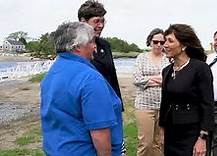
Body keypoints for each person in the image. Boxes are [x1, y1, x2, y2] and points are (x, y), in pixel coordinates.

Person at [40, 22, 123, 156]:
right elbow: (100, 133)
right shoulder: (90, 79)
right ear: (77, 47)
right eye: (91, 42)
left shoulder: (53, 72)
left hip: (56, 149)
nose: (95, 46)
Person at [78, 1, 127, 155]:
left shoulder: (105, 45)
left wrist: (119, 103)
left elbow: (112, 76)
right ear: (83, 21)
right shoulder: (79, 48)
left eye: (102, 21)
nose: (100, 25)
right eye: (96, 21)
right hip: (94, 106)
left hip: (112, 105)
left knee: (118, 146)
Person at [159, 24, 214, 156]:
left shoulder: (200, 68)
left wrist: (202, 138)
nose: (165, 45)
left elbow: (207, 105)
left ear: (183, 45)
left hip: (193, 132)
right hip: (172, 130)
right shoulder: (166, 71)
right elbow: (165, 103)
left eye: (170, 41)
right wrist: (162, 130)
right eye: (165, 41)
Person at [133, 28, 169, 156]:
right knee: (146, 143)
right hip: (144, 106)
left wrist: (147, 79)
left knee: (159, 143)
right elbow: (137, 79)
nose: (159, 44)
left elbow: (170, 79)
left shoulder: (168, 59)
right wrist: (159, 79)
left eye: (161, 42)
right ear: (150, 41)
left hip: (164, 106)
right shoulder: (142, 58)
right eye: (155, 41)